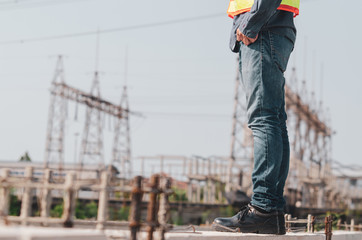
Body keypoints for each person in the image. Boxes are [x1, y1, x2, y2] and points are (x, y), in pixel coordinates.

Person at [212, 0, 299, 235]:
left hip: (263, 28)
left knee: (264, 120)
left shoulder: (257, 25)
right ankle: (272, 212)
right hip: (273, 27)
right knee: (274, 121)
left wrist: (251, 23)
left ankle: (264, 208)